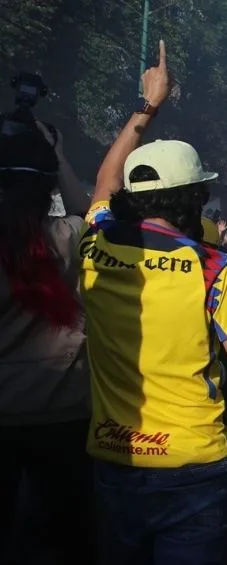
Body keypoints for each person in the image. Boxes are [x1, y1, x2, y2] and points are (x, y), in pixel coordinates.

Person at [80, 41, 227, 564]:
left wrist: (147, 106)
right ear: (194, 199)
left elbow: (103, 183)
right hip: (193, 467)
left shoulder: (94, 245)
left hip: (114, 457)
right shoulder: (213, 269)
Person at [0, 123, 93, 564]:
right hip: (62, 410)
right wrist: (58, 155)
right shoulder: (64, 238)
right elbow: (88, 210)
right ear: (46, 189)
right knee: (66, 531)